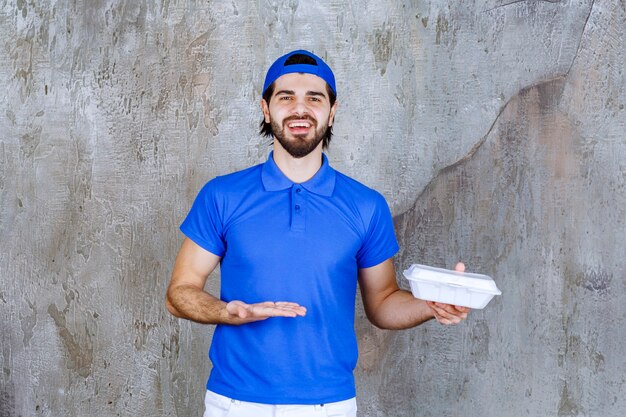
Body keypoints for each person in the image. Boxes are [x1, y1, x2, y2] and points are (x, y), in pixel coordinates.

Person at [165, 49, 470, 417]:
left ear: (332, 110)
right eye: (285, 97)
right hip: (234, 403)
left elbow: (383, 303)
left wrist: (431, 304)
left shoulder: (366, 205)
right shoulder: (222, 195)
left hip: (329, 405)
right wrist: (228, 311)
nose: (300, 109)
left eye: (314, 98)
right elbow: (179, 293)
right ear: (266, 109)